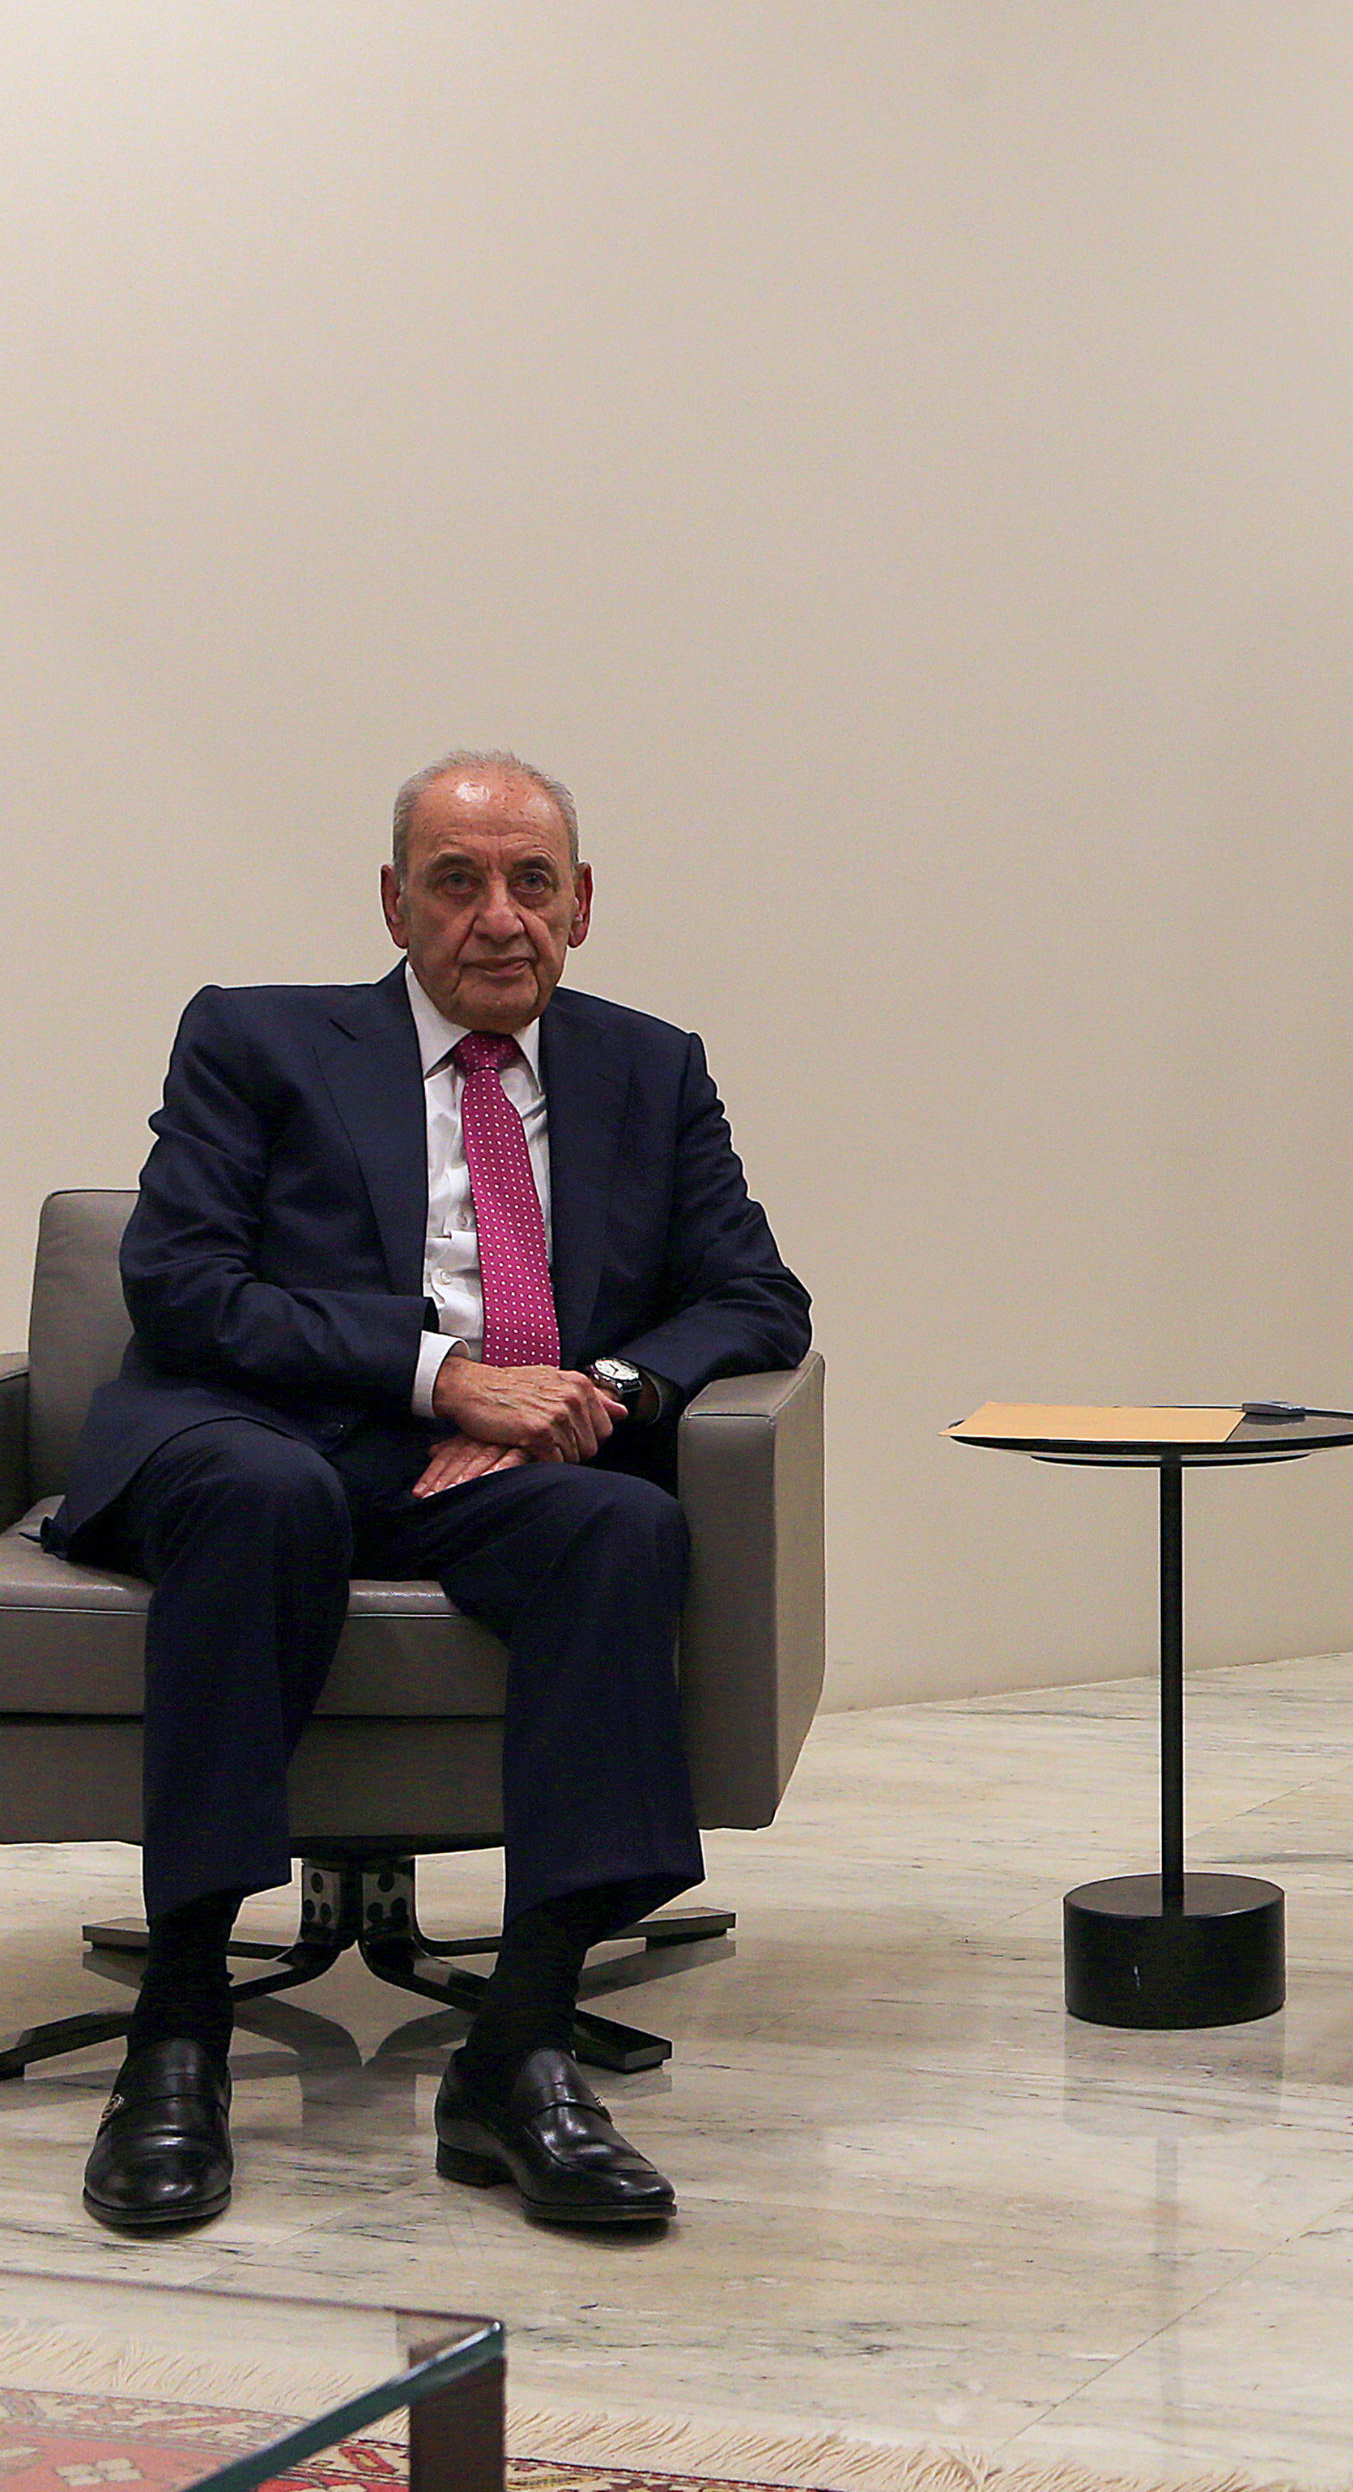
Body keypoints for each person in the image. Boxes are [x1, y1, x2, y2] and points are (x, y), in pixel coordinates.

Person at [52, 753, 809, 2230]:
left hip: (486, 1464)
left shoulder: (652, 1071)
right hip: (256, 1430)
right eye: (458, 882)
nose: (498, 917)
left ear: (581, 906)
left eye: (532, 882)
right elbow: (184, 1284)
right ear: (397, 904)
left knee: (622, 1526)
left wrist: (596, 1392)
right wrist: (441, 1377)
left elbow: (754, 1296)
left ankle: (519, 2052)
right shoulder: (257, 1040)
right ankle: (179, 2028)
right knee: (266, 1498)